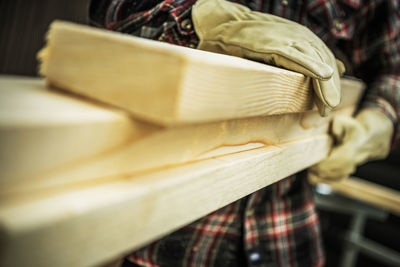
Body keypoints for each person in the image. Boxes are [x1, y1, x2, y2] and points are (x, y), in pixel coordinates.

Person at [89, 0, 399, 266]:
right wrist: (209, 23)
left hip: (288, 236)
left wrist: (379, 120)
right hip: (156, 230)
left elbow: (392, 69)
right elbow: (114, 8)